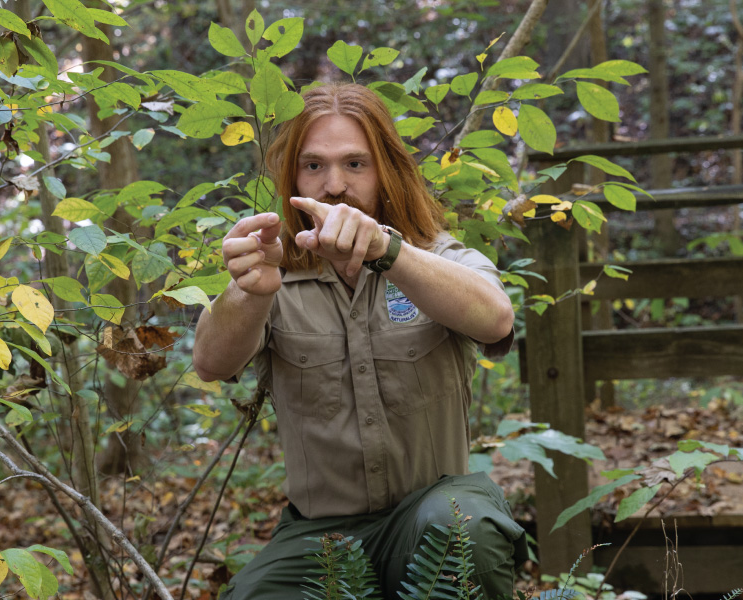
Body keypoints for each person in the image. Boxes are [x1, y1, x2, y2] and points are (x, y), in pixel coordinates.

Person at [193, 82, 528, 599]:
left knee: (464, 526)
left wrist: (386, 249)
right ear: (292, 177)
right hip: (320, 535)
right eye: (313, 166)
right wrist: (248, 293)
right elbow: (210, 362)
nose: (333, 185)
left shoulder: (432, 256)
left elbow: (496, 319)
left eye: (355, 164)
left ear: (385, 171)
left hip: (431, 514)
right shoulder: (271, 269)